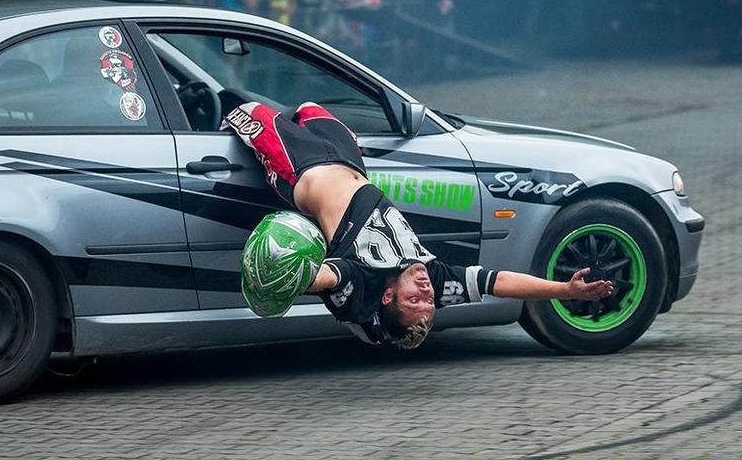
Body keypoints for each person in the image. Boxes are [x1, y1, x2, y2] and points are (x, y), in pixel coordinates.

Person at [222, 101, 614, 348]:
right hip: (349, 161)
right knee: (310, 107)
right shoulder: (437, 278)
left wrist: (289, 276)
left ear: (389, 298)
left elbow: (321, 278)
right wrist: (563, 288)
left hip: (301, 168)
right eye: (430, 303)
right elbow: (500, 283)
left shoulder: (363, 281)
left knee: (240, 109)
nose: (426, 292)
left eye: (415, 299)